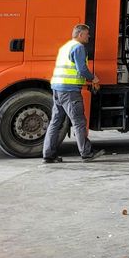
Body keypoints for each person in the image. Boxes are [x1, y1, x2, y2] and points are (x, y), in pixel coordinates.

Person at [42, 23, 103, 163]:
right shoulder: (79, 47)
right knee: (79, 122)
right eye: (87, 34)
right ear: (80, 34)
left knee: (55, 122)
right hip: (69, 91)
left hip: (57, 88)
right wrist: (93, 78)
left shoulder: (65, 47)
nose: (89, 36)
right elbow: (82, 69)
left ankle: (48, 154)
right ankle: (86, 153)